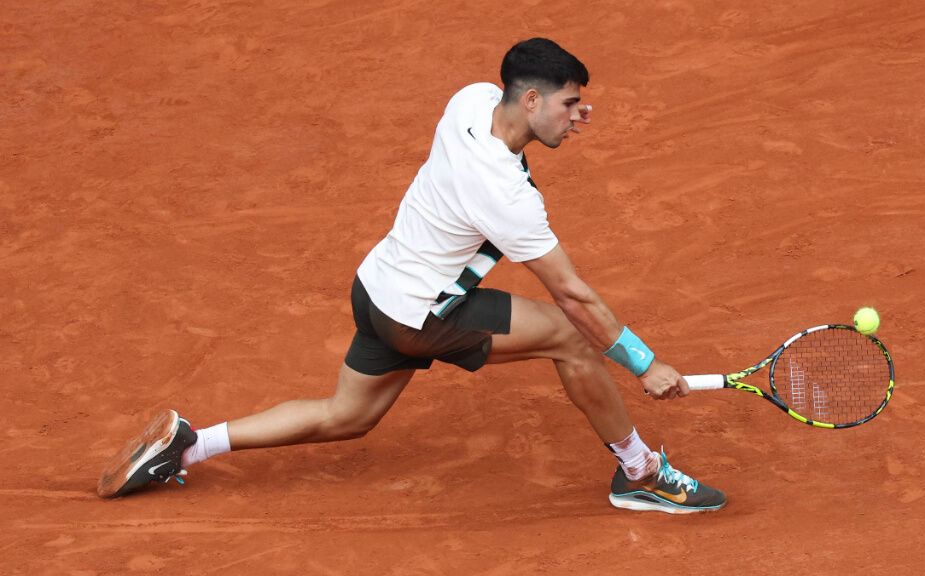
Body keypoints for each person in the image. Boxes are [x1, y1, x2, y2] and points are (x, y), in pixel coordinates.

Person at [97, 38, 726, 514]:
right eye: (568, 105)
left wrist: (552, 126)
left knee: (346, 417)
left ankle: (188, 446)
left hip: (376, 287)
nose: (575, 116)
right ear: (531, 100)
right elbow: (572, 292)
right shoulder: (508, 198)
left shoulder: (472, 100)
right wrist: (644, 364)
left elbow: (504, 149)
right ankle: (640, 472)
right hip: (421, 315)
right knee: (570, 332)